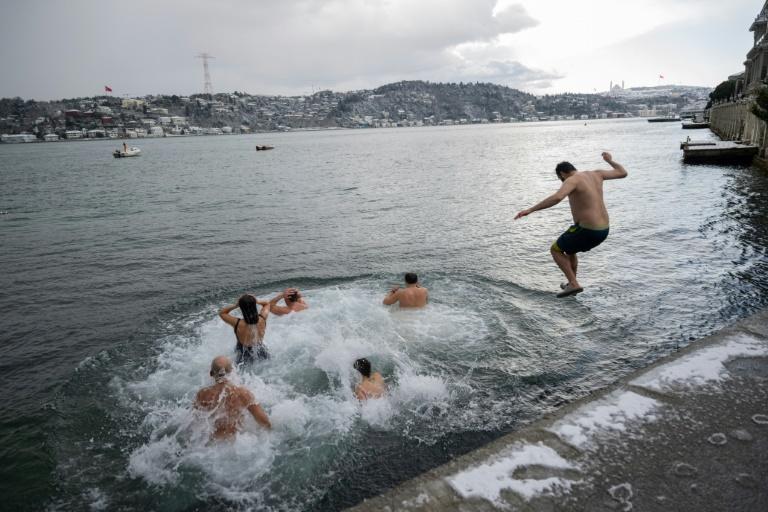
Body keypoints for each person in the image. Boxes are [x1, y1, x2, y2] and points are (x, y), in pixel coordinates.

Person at [514, 152, 627, 298]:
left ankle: (574, 284)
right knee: (570, 250)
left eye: (561, 179)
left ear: (562, 174)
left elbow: (557, 197)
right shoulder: (596, 174)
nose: (562, 182)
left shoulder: (572, 180)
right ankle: (571, 283)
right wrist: (610, 161)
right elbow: (623, 173)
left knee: (555, 250)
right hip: (604, 230)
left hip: (588, 230)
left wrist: (530, 210)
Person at [194, 355, 271, 440]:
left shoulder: (202, 395)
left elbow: (195, 424)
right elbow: (264, 422)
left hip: (213, 445)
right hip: (235, 444)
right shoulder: (243, 394)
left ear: (211, 373)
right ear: (232, 372)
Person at [219, 292, 284, 364]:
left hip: (243, 354)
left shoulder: (237, 323)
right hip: (261, 351)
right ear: (254, 305)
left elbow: (222, 313)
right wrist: (257, 301)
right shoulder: (262, 318)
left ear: (241, 308)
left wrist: (236, 305)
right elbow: (267, 303)